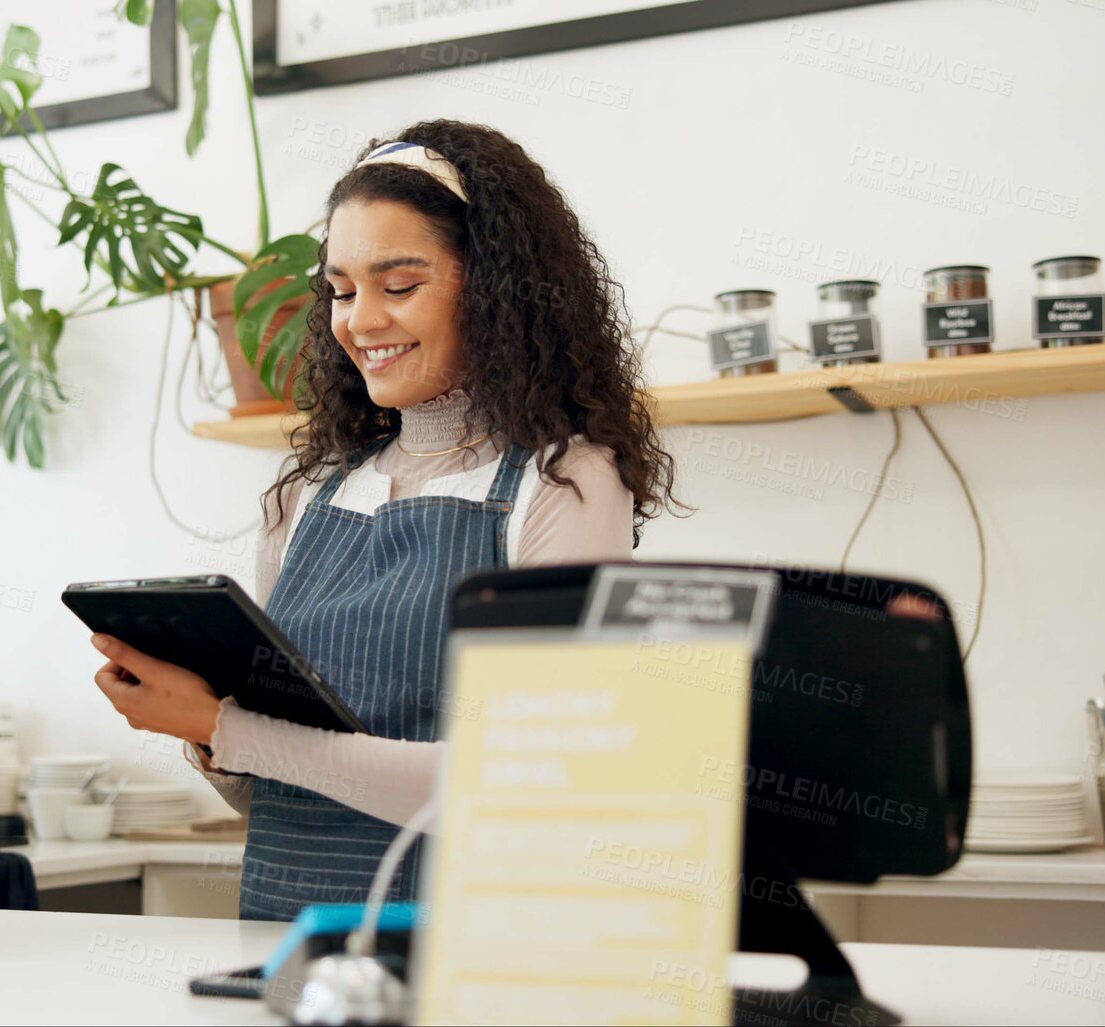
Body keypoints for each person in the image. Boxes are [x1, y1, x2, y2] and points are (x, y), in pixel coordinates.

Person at [90, 120, 680, 921]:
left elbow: (524, 783)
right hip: (288, 942)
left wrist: (228, 728)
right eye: (340, 289)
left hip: (471, 957)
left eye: (398, 285)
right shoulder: (307, 496)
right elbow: (285, 802)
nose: (359, 321)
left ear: (497, 287)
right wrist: (205, 736)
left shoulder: (565, 481)